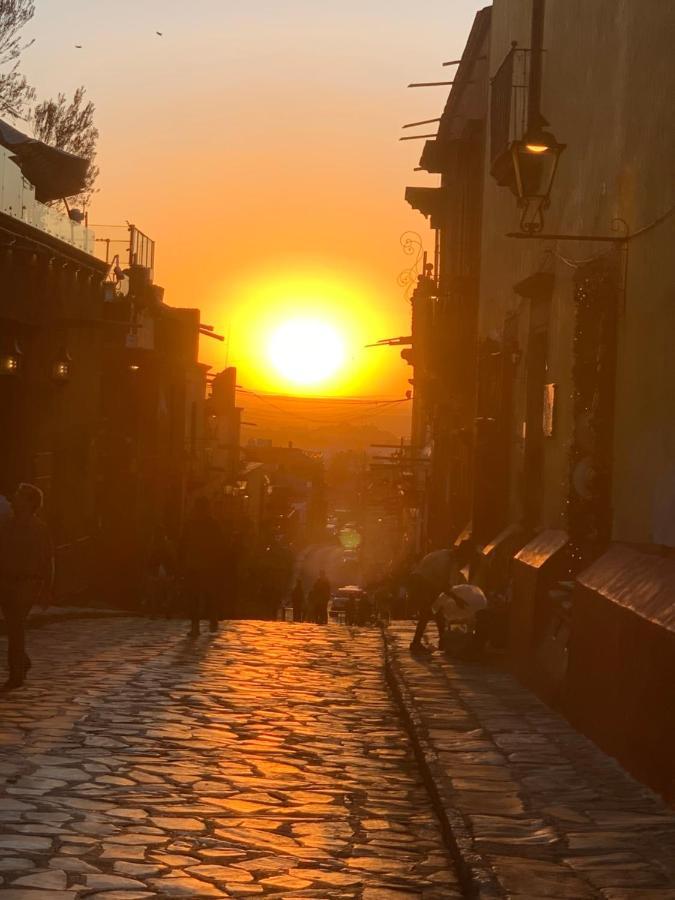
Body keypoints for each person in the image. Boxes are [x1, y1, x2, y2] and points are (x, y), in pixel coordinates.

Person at [0, 483, 53, 690]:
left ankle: (16, 673)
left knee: (16, 626)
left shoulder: (39, 529)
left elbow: (47, 560)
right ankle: (22, 661)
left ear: (30, 502)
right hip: (4, 580)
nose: (14, 498)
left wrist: (47, 589)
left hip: (27, 584)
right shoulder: (5, 525)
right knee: (14, 626)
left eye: (19, 496)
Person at [408, 541, 472, 655]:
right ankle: (416, 643)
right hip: (422, 583)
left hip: (425, 583)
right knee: (426, 614)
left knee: (438, 612)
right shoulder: (445, 560)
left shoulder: (446, 556)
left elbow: (444, 584)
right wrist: (456, 598)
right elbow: (443, 584)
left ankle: (443, 641)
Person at [179, 496, 224, 637]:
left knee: (196, 596)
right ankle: (210, 620)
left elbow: (182, 546)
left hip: (197, 565)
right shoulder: (213, 525)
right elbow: (220, 547)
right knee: (206, 595)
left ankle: (197, 625)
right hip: (205, 566)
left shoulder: (192, 525)